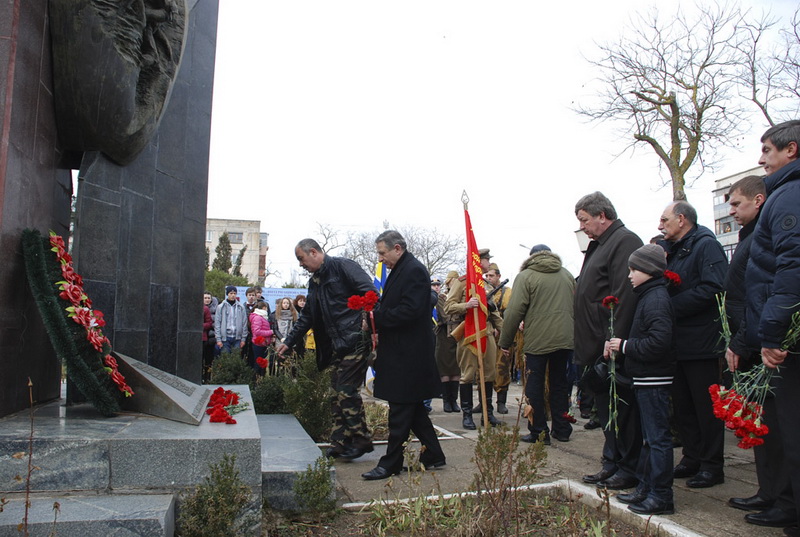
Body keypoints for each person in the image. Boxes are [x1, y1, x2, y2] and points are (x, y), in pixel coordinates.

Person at [733, 120, 800, 537]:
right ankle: (784, 501)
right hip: (775, 332)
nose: (761, 159)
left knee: (792, 434)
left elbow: (790, 271)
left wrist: (772, 335)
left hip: (785, 340)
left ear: (791, 149)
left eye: (767, 150)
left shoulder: (789, 195)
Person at [276, 239, 376, 461]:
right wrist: (289, 341)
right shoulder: (315, 282)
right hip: (336, 346)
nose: (301, 264)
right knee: (334, 394)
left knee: (346, 389)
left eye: (301, 259)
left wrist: (365, 321)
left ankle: (361, 439)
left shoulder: (343, 267)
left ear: (313, 252)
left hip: (355, 340)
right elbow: (308, 316)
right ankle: (340, 442)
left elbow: (370, 293)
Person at [361, 230, 446, 480]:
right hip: (401, 351)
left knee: (400, 409)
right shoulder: (402, 269)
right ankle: (434, 454)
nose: (380, 259)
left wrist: (377, 317)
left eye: (382, 253)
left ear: (397, 248)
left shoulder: (414, 270)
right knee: (414, 409)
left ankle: (390, 463)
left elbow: (411, 310)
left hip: (409, 354)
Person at [574, 191, 643, 491]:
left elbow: (622, 294)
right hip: (594, 343)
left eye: (584, 220)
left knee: (621, 409)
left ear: (602, 215)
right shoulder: (599, 244)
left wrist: (613, 338)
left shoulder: (624, 241)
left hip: (610, 345)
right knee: (606, 410)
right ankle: (611, 461)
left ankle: (628, 466)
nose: (583, 227)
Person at [658, 200, 728, 489]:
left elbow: (714, 288)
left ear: (682, 220)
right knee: (684, 405)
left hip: (701, 342)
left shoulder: (705, 245)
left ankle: (712, 465)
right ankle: (692, 456)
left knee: (705, 406)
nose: (660, 225)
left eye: (664, 220)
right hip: (681, 342)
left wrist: (670, 306)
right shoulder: (675, 250)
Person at [605, 244, 676, 516]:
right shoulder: (649, 295)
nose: (630, 275)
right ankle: (647, 487)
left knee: (657, 439)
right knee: (649, 438)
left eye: (634, 269)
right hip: (647, 377)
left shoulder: (656, 298)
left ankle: (661, 495)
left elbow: (659, 342)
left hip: (654, 377)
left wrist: (624, 346)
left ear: (648, 269)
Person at [498, 244, 575, 445]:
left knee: (534, 385)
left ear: (532, 257)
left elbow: (514, 311)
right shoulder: (566, 274)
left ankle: (538, 431)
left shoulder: (526, 276)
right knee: (560, 384)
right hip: (565, 339)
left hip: (538, 340)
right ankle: (562, 428)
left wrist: (505, 342)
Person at [445, 248, 504, 429]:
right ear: (479, 261)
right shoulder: (462, 282)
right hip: (468, 333)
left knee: (489, 375)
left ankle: (488, 413)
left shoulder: (486, 285)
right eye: (486, 260)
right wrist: (467, 305)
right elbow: (449, 306)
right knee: (468, 376)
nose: (488, 263)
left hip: (486, 332)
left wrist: (505, 333)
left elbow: (493, 313)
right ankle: (467, 415)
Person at [484, 262, 513, 414]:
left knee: (501, 369)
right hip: (486, 332)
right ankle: (484, 402)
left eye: (491, 275)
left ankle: (501, 401)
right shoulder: (483, 290)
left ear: (498, 276)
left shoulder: (508, 292)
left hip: (502, 334)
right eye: (487, 275)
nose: (488, 278)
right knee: (483, 369)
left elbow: (511, 312)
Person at [434, 273, 461, 413]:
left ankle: (454, 400)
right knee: (445, 370)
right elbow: (445, 316)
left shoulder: (460, 298)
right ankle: (446, 400)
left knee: (456, 370)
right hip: (444, 336)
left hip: (457, 336)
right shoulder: (442, 298)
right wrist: (460, 310)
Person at [214, 285, 249, 354]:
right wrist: (218, 339)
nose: (233, 295)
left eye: (234, 293)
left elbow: (244, 323)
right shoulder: (221, 307)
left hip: (237, 337)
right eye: (231, 293)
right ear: (227, 294)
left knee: (236, 357)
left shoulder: (241, 307)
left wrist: (243, 339)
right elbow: (217, 323)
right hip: (225, 337)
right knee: (226, 357)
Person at [249, 300, 274, 375]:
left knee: (262, 364)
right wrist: (271, 332)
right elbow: (257, 332)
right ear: (264, 308)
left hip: (263, 343)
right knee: (258, 364)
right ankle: (256, 380)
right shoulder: (258, 318)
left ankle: (261, 379)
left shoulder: (262, 317)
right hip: (258, 344)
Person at [202, 298, 214, 383]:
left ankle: (205, 377)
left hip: (202, 338)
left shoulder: (205, 309)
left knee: (204, 359)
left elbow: (209, 323)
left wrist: (199, 325)